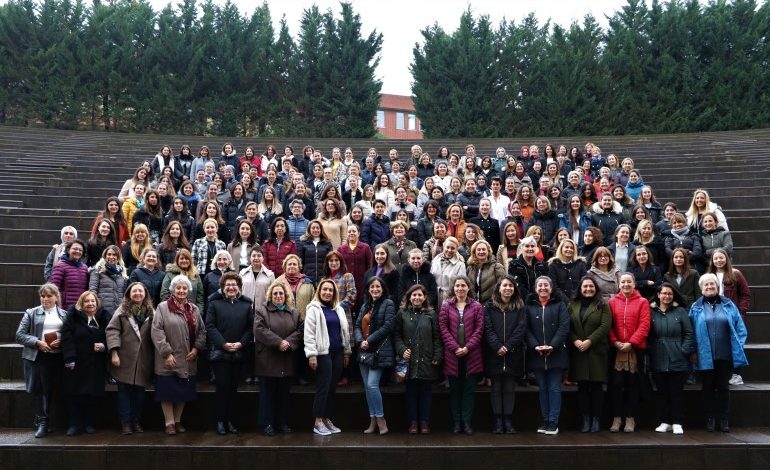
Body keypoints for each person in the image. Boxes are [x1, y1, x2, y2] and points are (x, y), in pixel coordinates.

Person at [689, 272, 749, 434]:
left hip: (725, 355)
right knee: (707, 387)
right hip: (704, 355)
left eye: (712, 284)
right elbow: (691, 332)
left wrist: (738, 345)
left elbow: (740, 329)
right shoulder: (696, 307)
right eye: (706, 285)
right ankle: (710, 418)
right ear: (701, 288)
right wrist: (693, 351)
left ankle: (723, 418)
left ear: (717, 286)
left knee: (723, 388)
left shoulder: (729, 305)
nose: (709, 287)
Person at [152, 274, 207, 435]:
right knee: (167, 392)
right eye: (178, 288)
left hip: (188, 357)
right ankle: (169, 423)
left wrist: (196, 348)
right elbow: (156, 331)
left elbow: (202, 331)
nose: (182, 290)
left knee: (183, 391)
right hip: (168, 358)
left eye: (184, 288)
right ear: (173, 290)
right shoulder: (162, 307)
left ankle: (177, 421)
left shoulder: (194, 308)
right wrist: (167, 353)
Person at [15, 283, 68, 438]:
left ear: (57, 297)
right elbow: (20, 335)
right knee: (40, 390)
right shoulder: (31, 313)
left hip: (58, 357)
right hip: (39, 357)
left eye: (49, 296)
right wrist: (38, 342)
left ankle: (45, 420)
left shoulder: (64, 314)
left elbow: (70, 334)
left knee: (52, 389)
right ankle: (42, 422)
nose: (45, 299)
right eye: (43, 296)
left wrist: (63, 340)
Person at [205, 272, 253, 435]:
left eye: (234, 285)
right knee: (222, 389)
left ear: (239, 287)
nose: (231, 287)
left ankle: (231, 421)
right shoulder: (214, 303)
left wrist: (240, 343)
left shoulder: (246, 305)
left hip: (239, 354)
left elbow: (250, 327)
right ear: (223, 288)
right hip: (220, 354)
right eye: (228, 285)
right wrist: (223, 344)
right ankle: (220, 421)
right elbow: (210, 326)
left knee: (233, 390)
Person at [254, 282, 303, 436]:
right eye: (275, 293)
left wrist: (288, 342)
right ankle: (267, 423)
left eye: (281, 293)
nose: (278, 296)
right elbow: (259, 330)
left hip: (286, 359)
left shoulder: (294, 312)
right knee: (267, 395)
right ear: (270, 295)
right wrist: (278, 342)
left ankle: (282, 423)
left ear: (286, 295)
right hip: (267, 360)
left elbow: (301, 330)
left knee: (283, 395)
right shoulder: (262, 311)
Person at [106, 282, 155, 435]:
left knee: (140, 394)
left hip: (143, 360)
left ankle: (136, 421)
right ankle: (126, 423)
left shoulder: (151, 312)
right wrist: (114, 352)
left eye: (141, 291)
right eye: (134, 291)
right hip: (124, 358)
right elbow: (112, 330)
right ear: (129, 294)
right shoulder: (121, 311)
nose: (138, 294)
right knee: (124, 392)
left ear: (145, 293)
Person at [304, 280, 352, 435]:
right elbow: (309, 334)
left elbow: (344, 332)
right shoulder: (313, 309)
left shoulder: (338, 309)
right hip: (322, 354)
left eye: (330, 290)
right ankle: (317, 421)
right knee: (323, 387)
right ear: (319, 291)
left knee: (332, 388)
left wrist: (346, 351)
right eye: (325, 289)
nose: (327, 292)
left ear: (334, 293)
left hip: (338, 352)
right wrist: (311, 355)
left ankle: (326, 418)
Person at [439, 276, 484, 435]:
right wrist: (456, 347)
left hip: (472, 356)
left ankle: (466, 422)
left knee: (468, 391)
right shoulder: (446, 306)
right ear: (454, 288)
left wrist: (467, 348)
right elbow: (443, 329)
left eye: (463, 286)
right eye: (457, 286)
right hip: (453, 356)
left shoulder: (477, 306)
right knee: (455, 391)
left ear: (468, 287)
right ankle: (457, 422)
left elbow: (479, 330)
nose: (460, 288)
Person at [525, 276, 570, 435]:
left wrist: (553, 345)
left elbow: (564, 326)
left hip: (555, 353)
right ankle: (545, 419)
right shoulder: (529, 306)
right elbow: (526, 328)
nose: (543, 288)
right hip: (537, 354)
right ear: (535, 288)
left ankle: (553, 421)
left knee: (554, 388)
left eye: (546, 285)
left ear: (551, 288)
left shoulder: (559, 305)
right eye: (540, 285)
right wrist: (535, 345)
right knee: (543, 388)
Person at [60, 291, 109, 436]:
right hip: (76, 363)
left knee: (92, 395)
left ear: (97, 303)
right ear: (81, 303)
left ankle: (89, 423)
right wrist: (69, 358)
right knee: (74, 395)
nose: (90, 304)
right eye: (87, 301)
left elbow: (112, 335)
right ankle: (75, 424)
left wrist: (104, 346)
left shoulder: (104, 317)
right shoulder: (73, 317)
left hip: (96, 363)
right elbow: (66, 337)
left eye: (93, 301)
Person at [483, 275, 527, 434]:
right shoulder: (489, 306)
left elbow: (521, 329)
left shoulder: (520, 307)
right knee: (495, 388)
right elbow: (487, 329)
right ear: (498, 288)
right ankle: (497, 420)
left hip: (512, 353)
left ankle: (507, 420)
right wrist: (497, 346)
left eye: (511, 286)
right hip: (494, 353)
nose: (508, 288)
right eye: (505, 286)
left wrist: (507, 346)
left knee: (509, 388)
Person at [608, 273, 651, 433]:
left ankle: (630, 418)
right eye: (623, 282)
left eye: (629, 282)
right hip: (617, 350)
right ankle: (617, 418)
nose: (626, 284)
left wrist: (631, 342)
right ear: (619, 284)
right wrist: (615, 342)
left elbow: (644, 324)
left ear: (634, 284)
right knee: (616, 385)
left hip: (635, 349)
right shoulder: (612, 302)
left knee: (633, 386)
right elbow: (609, 325)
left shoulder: (643, 302)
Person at [649, 283, 694, 435]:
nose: (667, 296)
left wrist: (684, 350)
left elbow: (689, 333)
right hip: (658, 355)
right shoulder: (651, 311)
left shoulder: (680, 311)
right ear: (658, 295)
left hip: (677, 356)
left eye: (670, 294)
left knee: (676, 392)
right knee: (662, 392)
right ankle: (665, 421)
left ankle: (677, 422)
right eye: (664, 293)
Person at [567, 276, 611, 433]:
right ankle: (586, 419)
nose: (588, 289)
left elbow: (605, 325)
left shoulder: (603, 305)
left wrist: (589, 341)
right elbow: (568, 326)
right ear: (580, 288)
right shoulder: (572, 305)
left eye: (591, 286)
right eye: (585, 286)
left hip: (596, 351)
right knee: (583, 387)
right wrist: (575, 340)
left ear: (596, 288)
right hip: (579, 351)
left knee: (597, 387)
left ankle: (596, 419)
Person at [354, 277, 396, 435]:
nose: (375, 289)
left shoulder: (388, 304)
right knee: (367, 387)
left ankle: (381, 419)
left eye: (378, 287)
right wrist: (360, 341)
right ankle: (372, 419)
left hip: (379, 351)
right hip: (364, 351)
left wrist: (369, 340)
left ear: (383, 288)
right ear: (368, 289)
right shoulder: (366, 305)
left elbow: (388, 326)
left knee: (372, 385)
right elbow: (357, 324)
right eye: (372, 287)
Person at [338, 224, 372, 315]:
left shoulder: (365, 247)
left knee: (361, 307)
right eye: (349, 231)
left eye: (354, 231)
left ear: (358, 233)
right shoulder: (341, 249)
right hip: (346, 284)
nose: (351, 233)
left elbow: (370, 266)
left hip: (361, 283)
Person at [160, 249, 205, 315]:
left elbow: (200, 296)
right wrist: (169, 311)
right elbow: (164, 294)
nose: (184, 260)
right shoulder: (170, 274)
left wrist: (199, 312)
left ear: (190, 260)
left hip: (191, 312)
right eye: (182, 258)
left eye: (186, 258)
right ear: (177, 260)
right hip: (173, 312)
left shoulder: (195, 275)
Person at [88, 244, 128, 316]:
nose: (111, 257)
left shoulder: (122, 272)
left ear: (118, 257)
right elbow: (92, 291)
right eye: (109, 254)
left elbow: (124, 294)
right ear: (105, 256)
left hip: (119, 311)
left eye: (114, 255)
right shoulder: (97, 271)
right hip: (102, 311)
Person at [50, 239, 89, 310]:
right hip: (65, 307)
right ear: (68, 250)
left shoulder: (84, 267)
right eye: (75, 249)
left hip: (81, 306)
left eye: (80, 250)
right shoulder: (60, 266)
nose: (78, 251)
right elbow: (54, 288)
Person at [466, 239, 507, 305]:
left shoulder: (497, 267)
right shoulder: (470, 268)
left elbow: (503, 287)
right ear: (474, 252)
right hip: (473, 306)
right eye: (478, 250)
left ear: (488, 251)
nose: (481, 252)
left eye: (483, 249)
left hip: (491, 306)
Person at [430, 237, 466, 306]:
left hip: (450, 299)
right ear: (444, 246)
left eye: (453, 248)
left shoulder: (460, 265)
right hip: (434, 297)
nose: (449, 250)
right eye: (447, 247)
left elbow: (461, 286)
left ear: (456, 250)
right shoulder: (436, 259)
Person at [296, 220, 334, 285]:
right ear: (309, 229)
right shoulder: (303, 243)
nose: (315, 230)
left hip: (323, 277)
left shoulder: (327, 243)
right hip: (307, 278)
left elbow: (330, 261)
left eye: (317, 228)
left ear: (321, 229)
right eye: (313, 228)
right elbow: (300, 261)